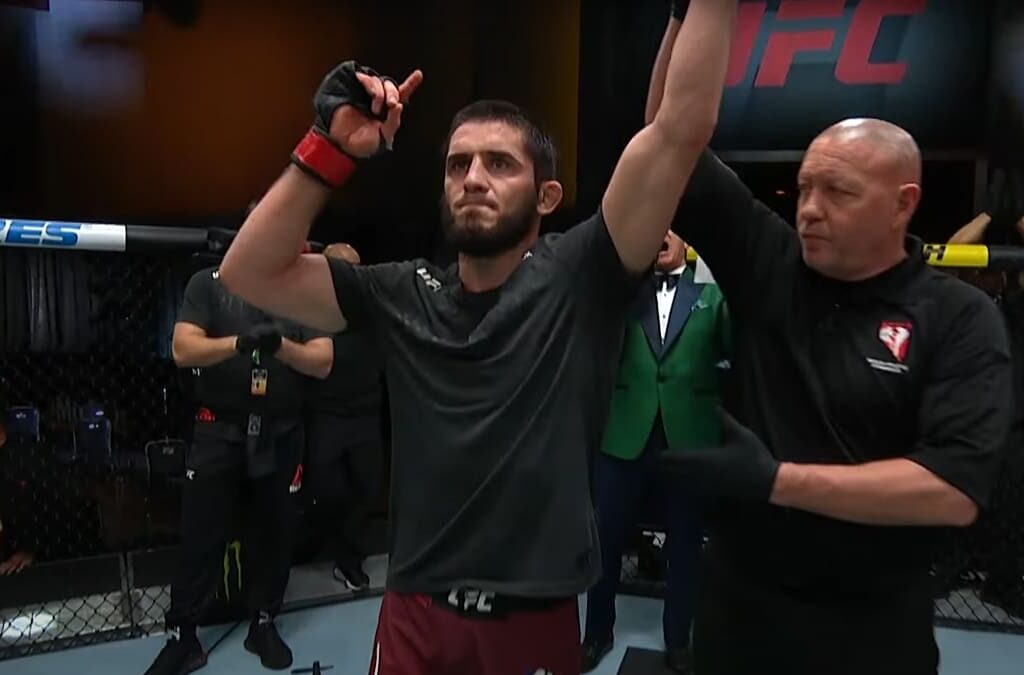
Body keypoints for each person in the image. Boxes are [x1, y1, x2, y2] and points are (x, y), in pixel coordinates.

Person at [215, 2, 738, 672]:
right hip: (415, 614)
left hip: (533, 618)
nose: (473, 179)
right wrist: (330, 146)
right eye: (458, 164)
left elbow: (677, 131)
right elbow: (249, 271)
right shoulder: (403, 292)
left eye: (499, 164)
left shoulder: (580, 277)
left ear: (546, 197)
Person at [641, 7, 1015, 675]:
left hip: (870, 625)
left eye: (838, 191)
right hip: (740, 610)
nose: (810, 208)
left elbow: (950, 488)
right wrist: (686, 12)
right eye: (805, 187)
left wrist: (779, 482)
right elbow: (668, 142)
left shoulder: (957, 317)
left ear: (903, 202)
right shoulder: (771, 260)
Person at [145, 266, 334, 675]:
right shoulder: (208, 283)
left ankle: (263, 622)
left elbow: (322, 361)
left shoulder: (305, 288)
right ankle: (183, 635)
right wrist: (239, 343)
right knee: (200, 532)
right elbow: (183, 349)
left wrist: (280, 347)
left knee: (276, 530)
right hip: (218, 427)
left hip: (282, 429)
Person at [581, 230, 728, 673]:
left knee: (686, 544)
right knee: (606, 542)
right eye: (655, 225)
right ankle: (597, 633)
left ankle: (678, 639)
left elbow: (734, 349)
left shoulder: (713, 293)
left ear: (687, 239)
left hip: (690, 437)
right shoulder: (623, 291)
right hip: (624, 435)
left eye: (672, 226)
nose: (662, 233)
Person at [305, 242, 385, 591]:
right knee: (327, 490)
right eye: (343, 269)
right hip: (326, 414)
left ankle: (350, 558)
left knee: (366, 487)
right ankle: (326, 547)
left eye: (355, 268)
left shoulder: (372, 307)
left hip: (366, 412)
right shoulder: (311, 310)